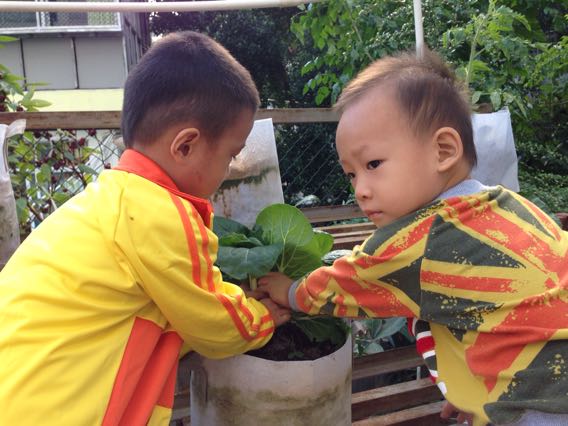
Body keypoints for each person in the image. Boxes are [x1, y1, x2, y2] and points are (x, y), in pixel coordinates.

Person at [259, 49, 568, 426]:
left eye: (373, 164)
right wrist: (472, 388)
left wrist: (289, 290)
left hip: (535, 407)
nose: (361, 190)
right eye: (352, 174)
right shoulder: (510, 205)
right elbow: (504, 319)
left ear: (443, 151)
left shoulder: (421, 237)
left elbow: (343, 283)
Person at [0, 31, 290, 425]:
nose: (230, 169)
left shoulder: (109, 199)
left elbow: (170, 314)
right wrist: (263, 315)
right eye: (230, 155)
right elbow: (216, 327)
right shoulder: (161, 213)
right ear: (185, 146)